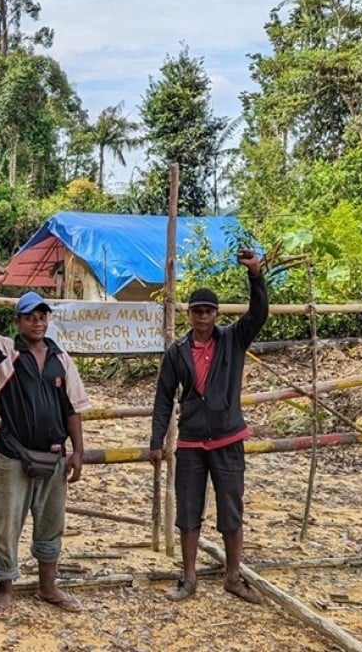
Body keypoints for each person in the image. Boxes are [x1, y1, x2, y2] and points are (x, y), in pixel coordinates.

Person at [0, 265, 92, 621]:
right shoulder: (6, 352)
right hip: (13, 452)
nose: (37, 323)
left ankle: (48, 586)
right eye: (30, 317)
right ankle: (4, 588)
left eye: (42, 316)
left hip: (53, 455)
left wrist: (78, 451)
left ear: (48, 320)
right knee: (7, 523)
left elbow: (73, 409)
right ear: (19, 322)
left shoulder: (61, 359)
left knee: (51, 521)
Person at [149, 249, 268, 604]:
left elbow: (259, 313)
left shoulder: (233, 340)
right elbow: (163, 398)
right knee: (188, 510)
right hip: (191, 442)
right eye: (198, 310)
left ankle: (233, 576)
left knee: (231, 509)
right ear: (189, 314)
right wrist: (157, 440)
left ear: (216, 314)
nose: (203, 316)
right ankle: (188, 577)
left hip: (228, 438)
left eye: (209, 311)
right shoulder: (177, 351)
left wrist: (256, 276)